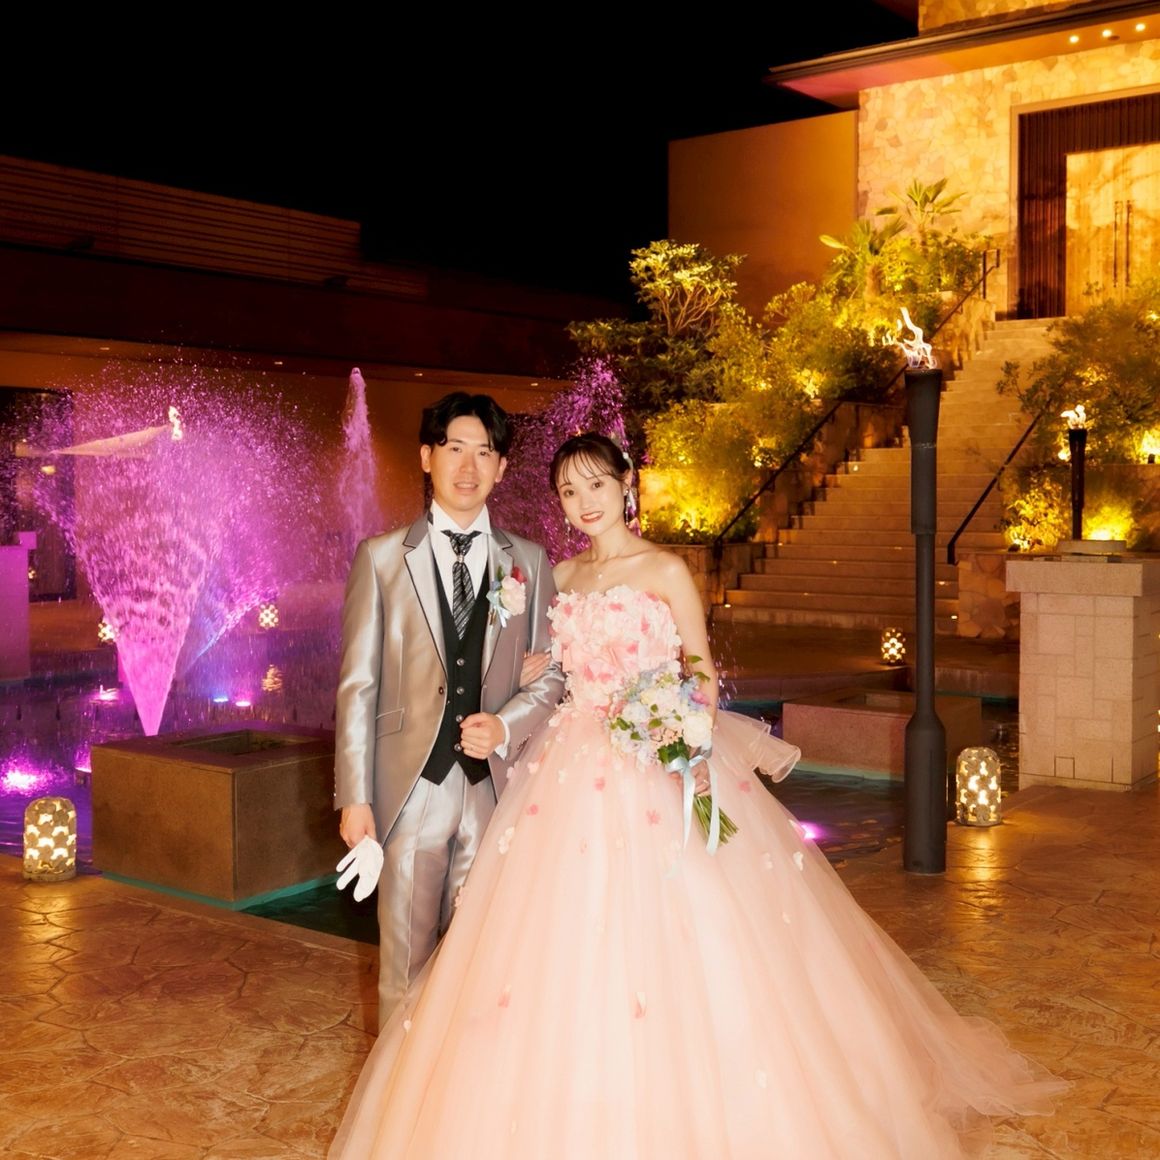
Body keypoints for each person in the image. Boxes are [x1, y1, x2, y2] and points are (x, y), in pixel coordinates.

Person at [329, 432, 1065, 1158]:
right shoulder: (560, 575)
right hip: (564, 769)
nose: (584, 502)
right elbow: (546, 673)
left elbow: (702, 672)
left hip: (650, 760)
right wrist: (529, 677)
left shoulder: (666, 570)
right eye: (569, 491)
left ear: (626, 484)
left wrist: (677, 726)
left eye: (595, 485)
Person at [332, 392, 564, 1028]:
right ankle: (399, 1090)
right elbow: (358, 685)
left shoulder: (528, 561)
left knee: (483, 965)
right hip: (411, 790)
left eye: (483, 453)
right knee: (403, 968)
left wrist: (506, 724)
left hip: (495, 793)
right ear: (426, 457)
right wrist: (355, 798)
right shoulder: (381, 558)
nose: (468, 466)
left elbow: (552, 674)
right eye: (454, 448)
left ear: (502, 467)